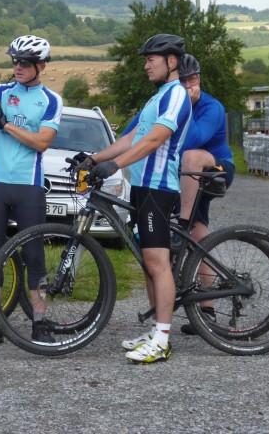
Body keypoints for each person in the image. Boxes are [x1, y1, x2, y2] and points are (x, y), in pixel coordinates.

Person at [75, 33, 191, 364]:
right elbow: (131, 138)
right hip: (142, 186)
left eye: (151, 60)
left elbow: (155, 139)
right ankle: (156, 331)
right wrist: (94, 159)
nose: (146, 66)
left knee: (158, 262)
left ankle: (163, 340)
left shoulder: (177, 94)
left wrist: (114, 166)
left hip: (158, 187)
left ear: (171, 61)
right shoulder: (158, 98)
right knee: (148, 263)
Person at [0, 35, 63, 347]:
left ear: (41, 66)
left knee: (34, 255)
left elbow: (42, 142)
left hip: (28, 185)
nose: (18, 67)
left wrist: (6, 124)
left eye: (25, 62)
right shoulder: (1, 91)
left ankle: (40, 323)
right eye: (15, 61)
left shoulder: (51, 100)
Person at [174, 53, 236, 335]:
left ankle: (182, 223)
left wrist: (187, 106)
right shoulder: (168, 104)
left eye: (193, 79)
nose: (189, 84)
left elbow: (194, 140)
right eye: (183, 81)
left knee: (192, 156)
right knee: (198, 240)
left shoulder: (212, 107)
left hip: (216, 170)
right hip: (188, 178)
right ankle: (207, 311)